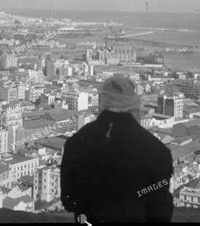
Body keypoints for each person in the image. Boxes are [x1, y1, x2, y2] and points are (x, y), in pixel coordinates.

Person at [61, 76, 174, 223]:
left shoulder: (75, 143)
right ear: (135, 103)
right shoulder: (158, 151)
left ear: (102, 101)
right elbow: (161, 212)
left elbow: (69, 201)